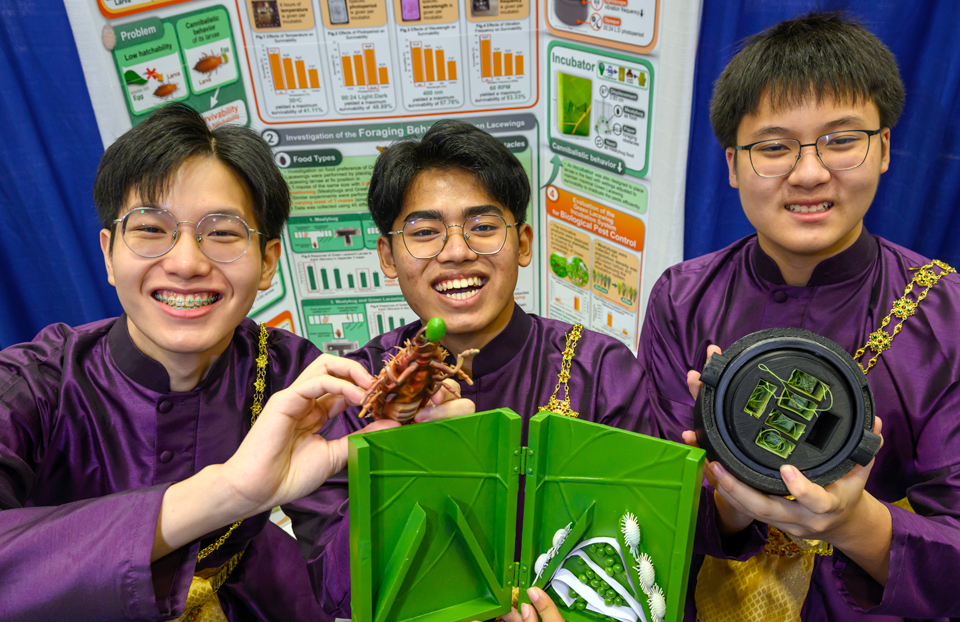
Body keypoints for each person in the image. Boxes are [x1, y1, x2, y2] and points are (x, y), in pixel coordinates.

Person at [0, 103, 419, 621]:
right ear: (109, 255)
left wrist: (414, 460)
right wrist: (227, 493)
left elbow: (352, 583)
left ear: (267, 262)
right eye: (151, 229)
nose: (186, 263)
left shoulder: (294, 378)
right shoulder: (32, 384)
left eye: (222, 233)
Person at [638, 11, 960, 622]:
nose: (809, 173)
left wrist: (852, 520)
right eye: (774, 147)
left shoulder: (947, 314)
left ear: (884, 148)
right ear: (732, 165)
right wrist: (728, 489)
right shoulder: (682, 298)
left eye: (841, 140)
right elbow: (657, 519)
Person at [285, 119, 652, 619]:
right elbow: (332, 589)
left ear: (522, 243)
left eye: (482, 227)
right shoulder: (354, 389)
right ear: (388, 257)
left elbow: (635, 555)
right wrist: (411, 453)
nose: (456, 252)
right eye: (424, 232)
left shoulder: (599, 371)